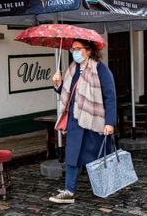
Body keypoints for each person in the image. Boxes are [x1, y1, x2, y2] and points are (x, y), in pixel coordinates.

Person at [48, 39, 117, 204]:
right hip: (75, 120)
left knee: (97, 156)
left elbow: (110, 97)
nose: (74, 52)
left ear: (88, 50)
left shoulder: (101, 69)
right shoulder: (72, 69)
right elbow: (68, 92)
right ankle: (69, 191)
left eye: (78, 49)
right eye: (73, 49)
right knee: (72, 156)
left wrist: (110, 122)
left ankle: (105, 186)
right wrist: (58, 84)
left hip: (94, 120)